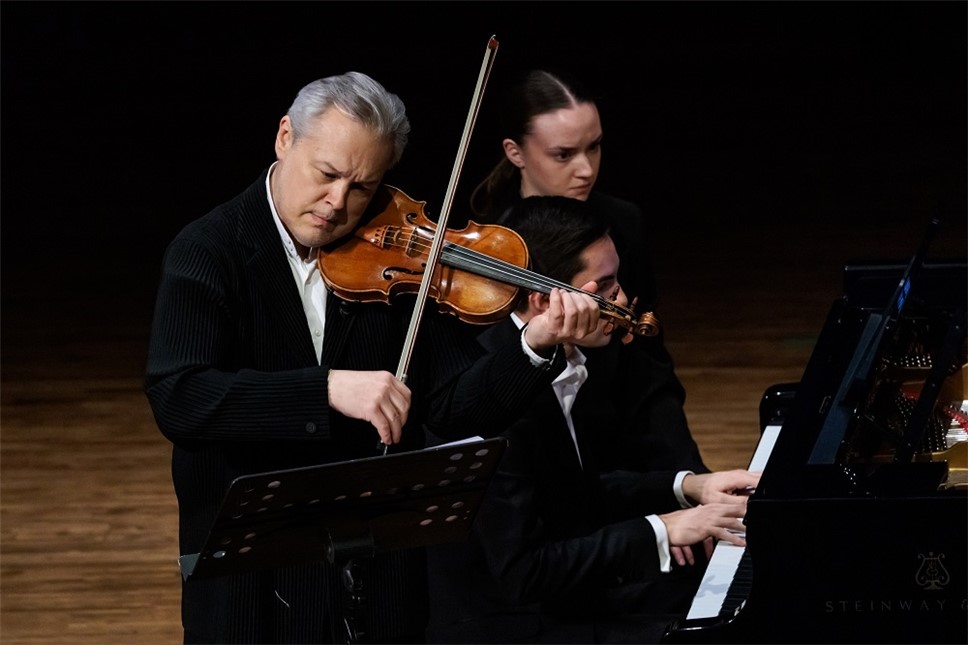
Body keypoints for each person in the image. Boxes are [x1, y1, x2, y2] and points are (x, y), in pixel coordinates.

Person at [144, 71, 603, 644]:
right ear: (285, 138)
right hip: (255, 582)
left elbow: (456, 407)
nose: (338, 204)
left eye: (362, 186)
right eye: (327, 174)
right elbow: (180, 396)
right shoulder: (208, 250)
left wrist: (534, 344)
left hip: (377, 575)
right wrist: (327, 389)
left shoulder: (396, 258)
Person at [425, 196, 761, 644]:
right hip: (513, 624)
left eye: (616, 280)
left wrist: (688, 487)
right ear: (543, 301)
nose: (621, 299)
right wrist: (664, 530)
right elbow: (525, 573)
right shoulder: (493, 399)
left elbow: (573, 494)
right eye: (604, 287)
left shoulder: (564, 358)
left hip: (563, 597)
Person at [469, 68, 708, 475]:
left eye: (594, 147)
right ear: (515, 152)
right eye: (563, 155)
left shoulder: (622, 223)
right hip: (538, 459)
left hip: (618, 442)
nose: (586, 170)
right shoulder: (484, 249)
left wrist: (686, 476)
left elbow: (647, 370)